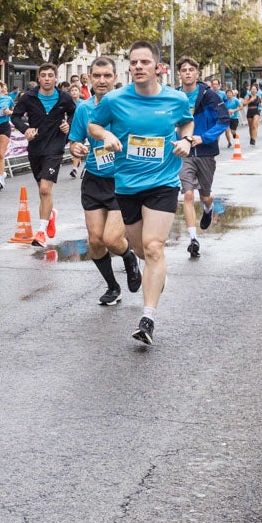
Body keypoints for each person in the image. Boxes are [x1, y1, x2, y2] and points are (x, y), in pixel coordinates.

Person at [88, 42, 194, 346]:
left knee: (154, 246)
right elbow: (93, 125)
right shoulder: (115, 99)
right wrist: (106, 134)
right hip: (127, 185)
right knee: (139, 249)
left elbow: (186, 121)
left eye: (144, 62)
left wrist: (186, 140)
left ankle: (147, 319)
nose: (138, 67)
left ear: (157, 67)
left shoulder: (175, 99)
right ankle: (155, 273)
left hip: (162, 182)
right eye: (134, 62)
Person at [67, 57, 141, 306]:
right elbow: (75, 141)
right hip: (94, 179)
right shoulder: (83, 109)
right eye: (97, 76)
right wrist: (76, 148)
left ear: (115, 78)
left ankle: (129, 257)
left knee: (112, 239)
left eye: (107, 75)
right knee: (96, 242)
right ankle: (112, 286)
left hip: (122, 181)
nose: (102, 80)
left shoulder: (127, 106)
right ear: (89, 78)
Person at [9, 63, 76, 247]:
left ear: (56, 78)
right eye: (44, 75)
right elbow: (15, 116)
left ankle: (41, 232)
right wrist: (25, 129)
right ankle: (50, 213)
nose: (47, 79)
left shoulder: (64, 98)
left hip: (55, 147)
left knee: (45, 189)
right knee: (42, 190)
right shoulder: (29, 97)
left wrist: (68, 124)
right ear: (38, 78)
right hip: (36, 147)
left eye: (50, 75)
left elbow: (74, 113)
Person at [176, 59, 230, 259]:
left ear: (197, 74)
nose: (187, 73)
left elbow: (224, 120)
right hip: (184, 153)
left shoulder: (209, 95)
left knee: (205, 195)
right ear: (179, 75)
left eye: (191, 70)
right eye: (184, 70)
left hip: (205, 152)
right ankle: (193, 239)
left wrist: (204, 137)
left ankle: (208, 207)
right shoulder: (175, 96)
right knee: (188, 194)